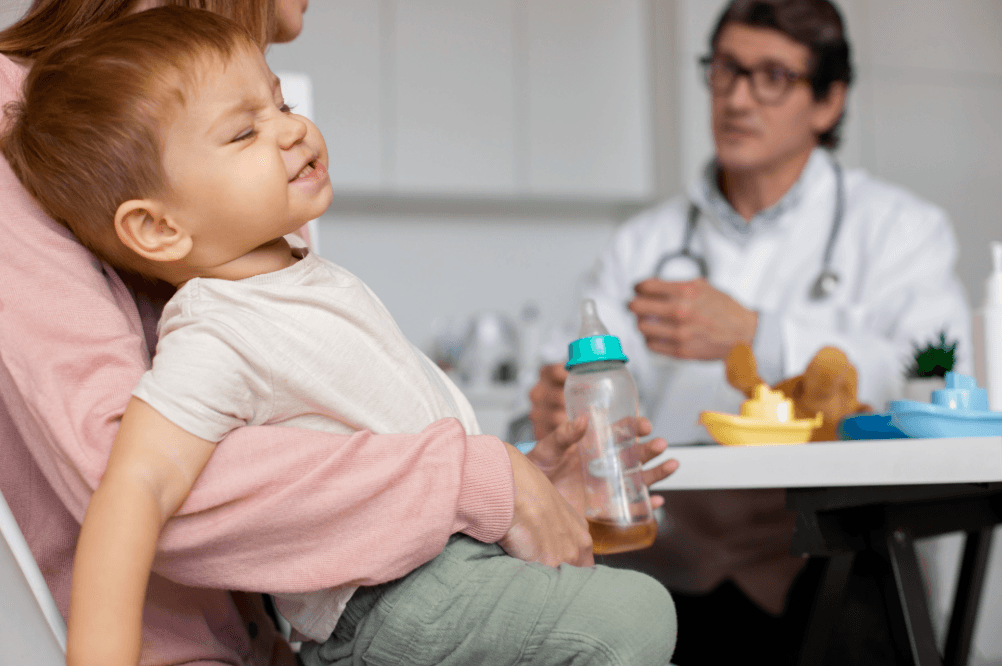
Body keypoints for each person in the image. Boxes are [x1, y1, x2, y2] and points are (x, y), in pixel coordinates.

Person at [0, 2, 679, 665]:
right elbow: (130, 489)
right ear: (157, 227)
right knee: (636, 614)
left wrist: (522, 487)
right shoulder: (215, 331)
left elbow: (375, 431)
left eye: (283, 106)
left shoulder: (298, 276)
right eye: (244, 133)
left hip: (425, 569)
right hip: (391, 599)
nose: (293, 130)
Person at [528, 0, 972, 663]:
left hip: (836, 559)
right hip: (672, 565)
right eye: (727, 70)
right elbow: (578, 378)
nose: (737, 98)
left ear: (828, 101)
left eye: (772, 77)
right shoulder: (643, 242)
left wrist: (759, 337)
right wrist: (556, 403)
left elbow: (940, 384)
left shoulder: (899, 230)